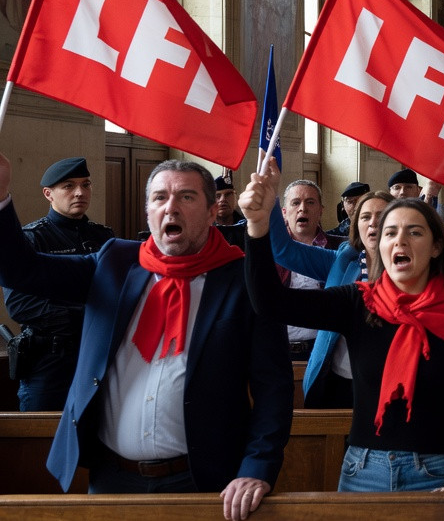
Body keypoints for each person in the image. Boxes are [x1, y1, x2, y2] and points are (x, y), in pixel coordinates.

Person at [0, 155, 291, 521]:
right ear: (148, 212)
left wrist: (258, 467)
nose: (171, 207)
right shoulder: (115, 262)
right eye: (159, 197)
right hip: (112, 477)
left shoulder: (243, 281)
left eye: (186, 197)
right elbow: (21, 270)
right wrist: (1, 197)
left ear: (211, 212)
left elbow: (273, 386)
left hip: (203, 481)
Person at [241, 176, 444, 493]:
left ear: (436, 247)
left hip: (435, 472)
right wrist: (257, 227)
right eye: (390, 233)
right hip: (362, 472)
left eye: (414, 232)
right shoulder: (360, 301)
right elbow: (270, 303)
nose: (400, 241)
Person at [266, 182, 392, 409]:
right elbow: (283, 250)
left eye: (381, 216)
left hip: (389, 383)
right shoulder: (343, 259)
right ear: (356, 224)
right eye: (365, 217)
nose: (373, 222)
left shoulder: (412, 269)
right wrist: (269, 194)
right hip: (338, 381)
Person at [4, 156, 114, 411]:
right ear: (48, 194)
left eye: (86, 184)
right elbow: (20, 305)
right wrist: (88, 315)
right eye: (68, 186)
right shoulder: (31, 239)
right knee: (42, 431)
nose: (80, 192)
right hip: (49, 361)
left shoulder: (104, 237)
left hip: (96, 357)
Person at [279, 180, 345, 360]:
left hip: (327, 350)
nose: (303, 209)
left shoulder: (340, 249)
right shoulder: (269, 252)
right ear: (284, 212)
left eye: (310, 202)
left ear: (321, 210)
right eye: (295, 203)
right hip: (278, 349)